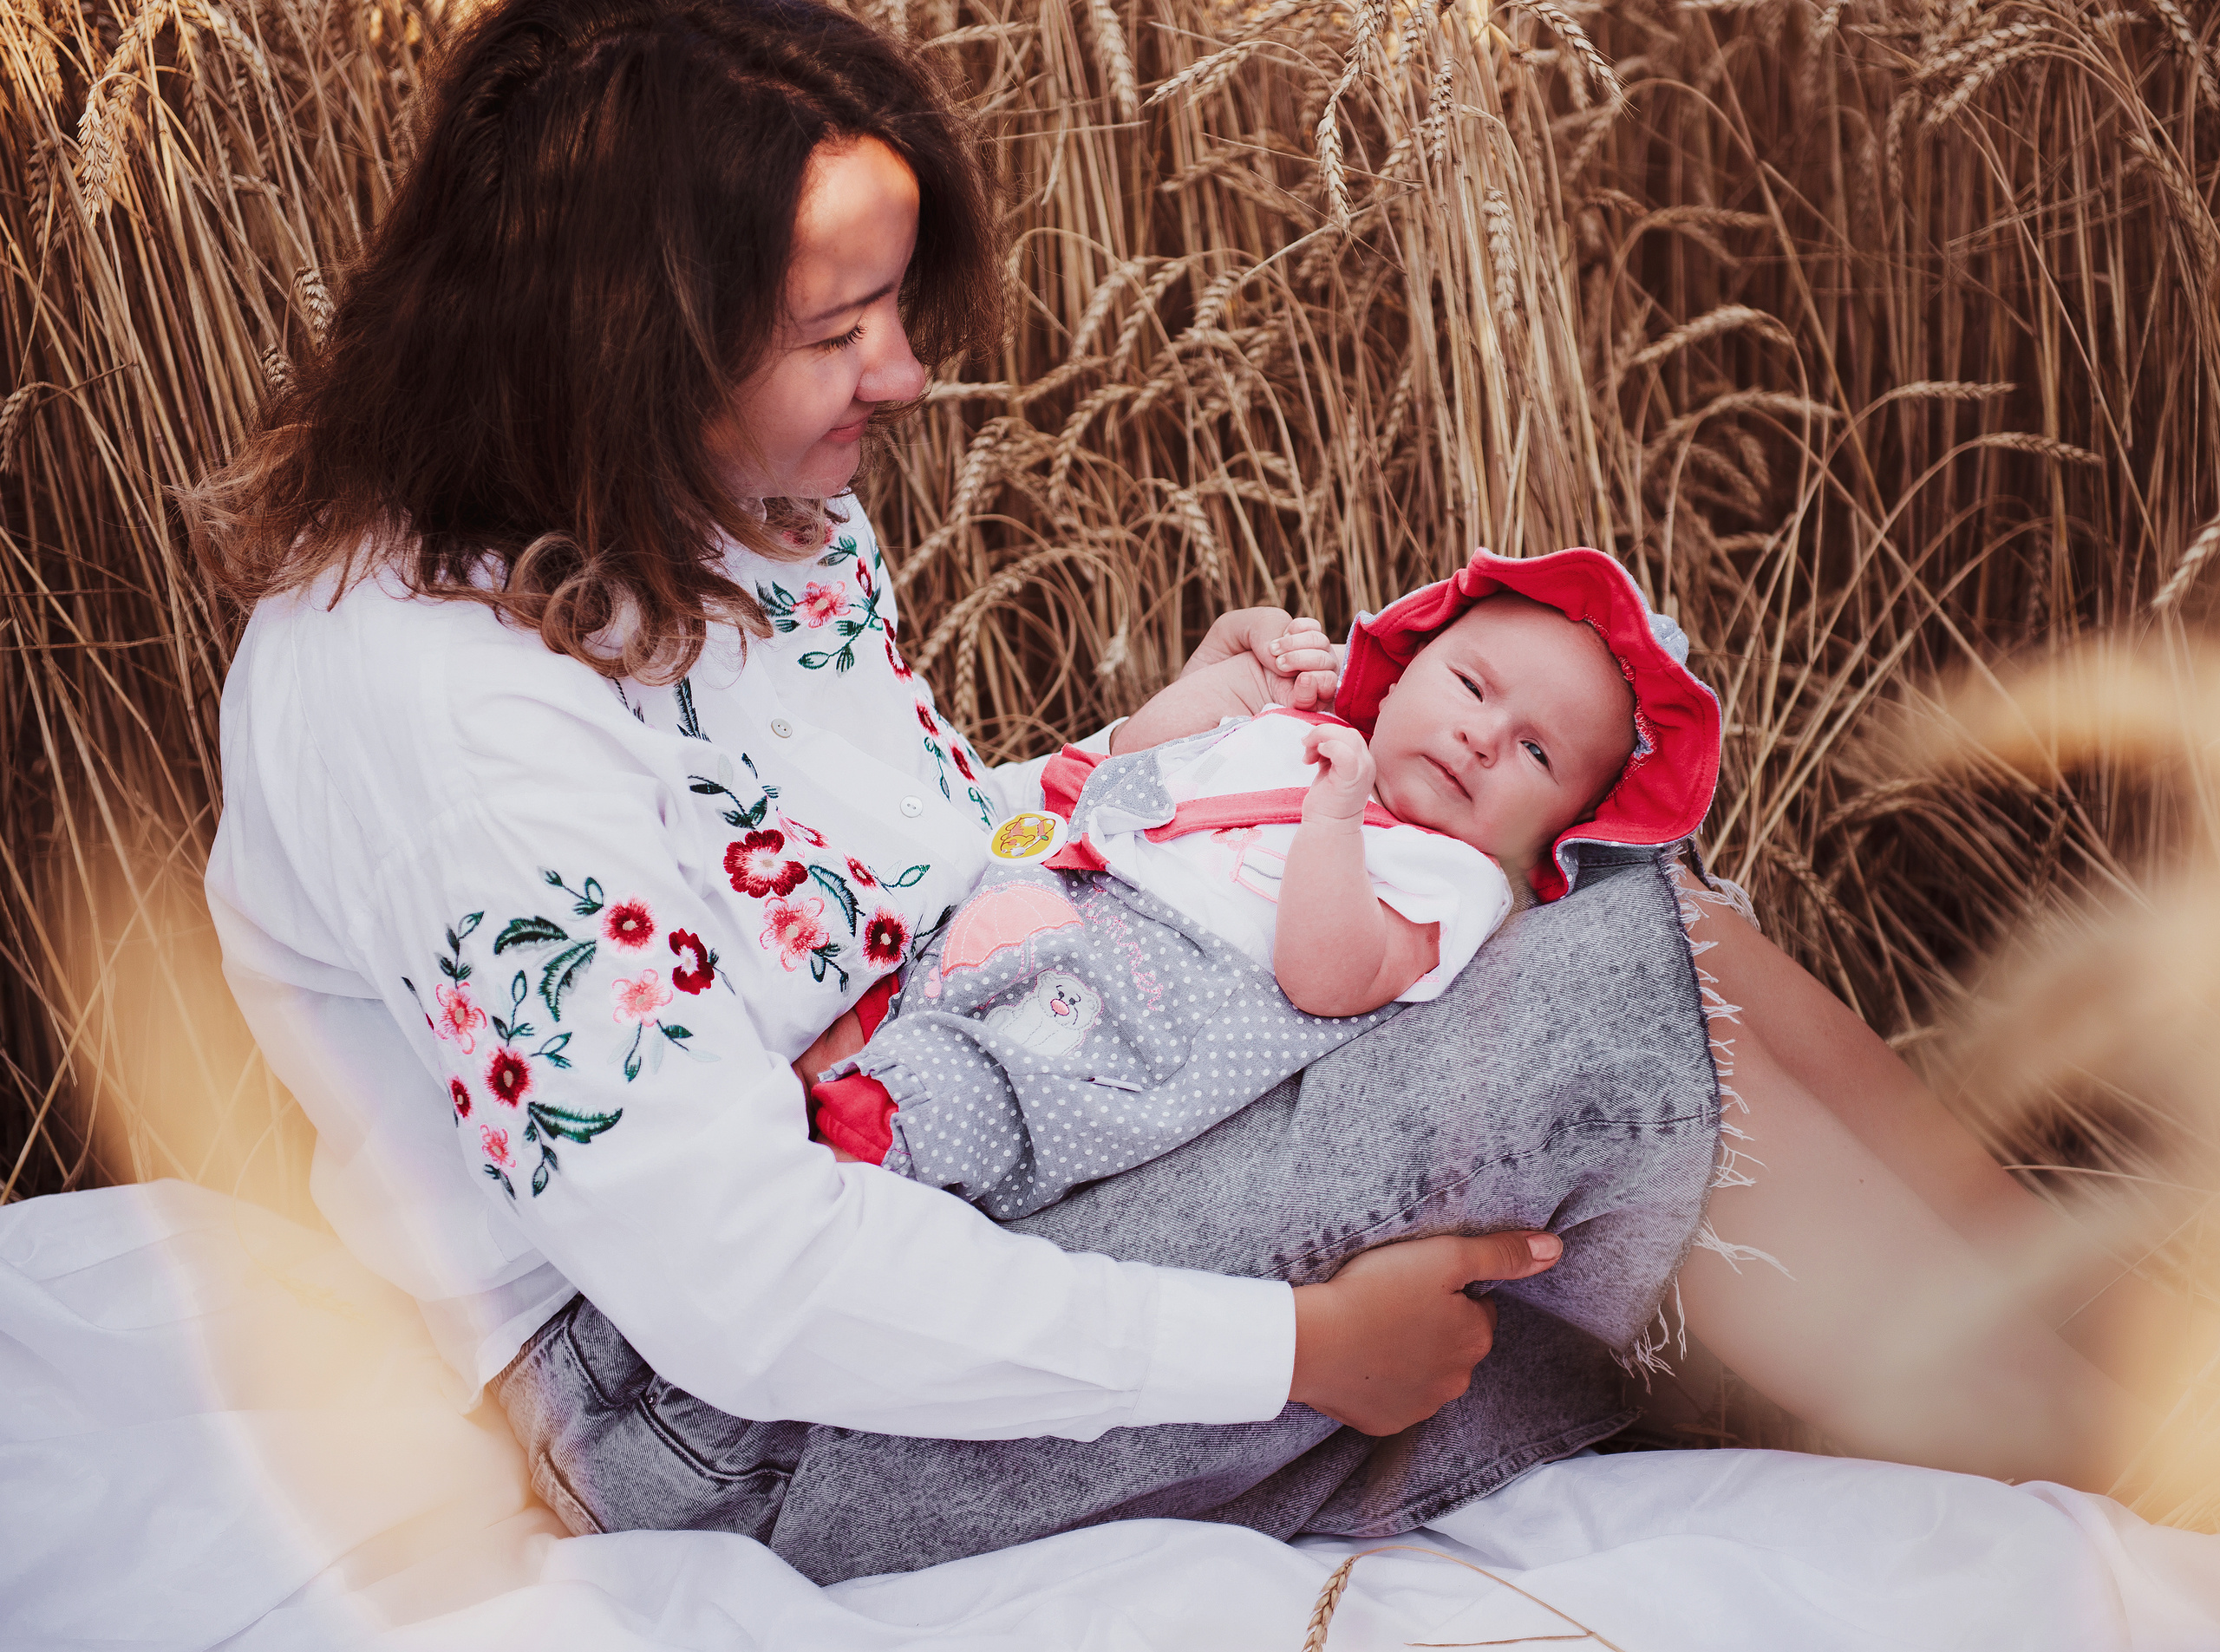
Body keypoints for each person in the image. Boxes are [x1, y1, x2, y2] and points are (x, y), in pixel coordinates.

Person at [188, 0, 2178, 1589]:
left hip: (941, 1123)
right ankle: (2131, 1447)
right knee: (1593, 1021)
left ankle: (2125, 1378)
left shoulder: (734, 513)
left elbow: (849, 882)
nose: (903, 375)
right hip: (713, 1425)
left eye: (896, 306)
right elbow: (742, 1281)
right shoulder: (434, 716)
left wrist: (1117, 764)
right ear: (610, 350)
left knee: (1640, 928)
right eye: (831, 331)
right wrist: (1296, 1353)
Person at [806, 549, 1720, 1231]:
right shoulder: (1305, 734)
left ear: (1555, 833)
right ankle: (808, 1078)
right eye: (1471, 687)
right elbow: (1138, 761)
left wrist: (1334, 823)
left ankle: (876, 1140)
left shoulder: (1455, 881)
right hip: (1043, 901)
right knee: (871, 982)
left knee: (1001, 1085)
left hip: (1144, 1006)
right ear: (1395, 679)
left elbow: (1330, 977)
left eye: (1537, 752)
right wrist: (1230, 683)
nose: (1484, 737)